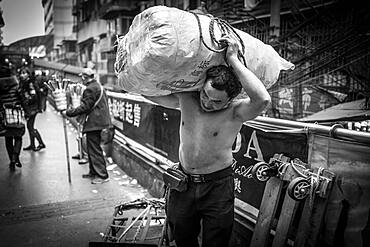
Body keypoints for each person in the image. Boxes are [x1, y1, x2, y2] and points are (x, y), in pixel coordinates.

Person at [145, 35, 271, 247]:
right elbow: (150, 93)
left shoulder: (236, 112)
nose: (207, 103)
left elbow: (263, 99)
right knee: (183, 238)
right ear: (201, 86)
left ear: (230, 100)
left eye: (216, 101)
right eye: (205, 94)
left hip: (217, 186)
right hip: (182, 183)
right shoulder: (186, 99)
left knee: (217, 241)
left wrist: (232, 59)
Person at [65, 68, 112, 184]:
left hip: (94, 123)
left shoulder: (90, 89)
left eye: (83, 77)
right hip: (99, 122)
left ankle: (102, 175)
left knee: (94, 149)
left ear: (85, 77)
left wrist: (70, 112)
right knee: (92, 149)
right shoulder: (98, 86)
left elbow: (85, 106)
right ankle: (93, 172)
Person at [0, 62, 26, 170]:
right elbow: (22, 99)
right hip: (16, 113)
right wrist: (26, 110)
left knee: (8, 138)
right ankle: (15, 157)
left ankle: (11, 159)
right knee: (18, 136)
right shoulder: (16, 86)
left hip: (5, 115)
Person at [19, 67, 45, 151]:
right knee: (30, 126)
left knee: (30, 126)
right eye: (21, 73)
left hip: (32, 108)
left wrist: (27, 99)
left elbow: (33, 96)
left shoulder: (29, 83)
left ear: (28, 74)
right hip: (30, 108)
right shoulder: (25, 82)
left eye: (24, 73)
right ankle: (32, 144)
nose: (21, 75)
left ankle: (41, 143)